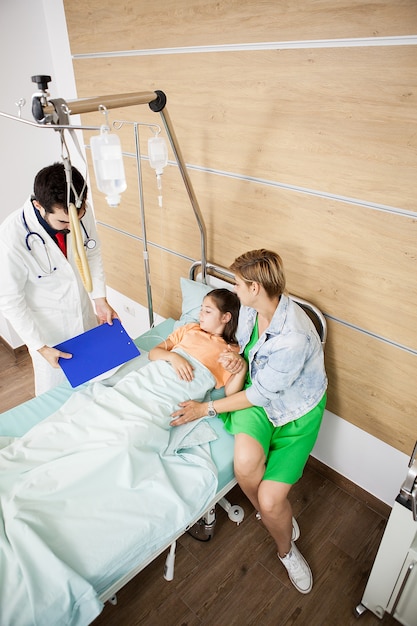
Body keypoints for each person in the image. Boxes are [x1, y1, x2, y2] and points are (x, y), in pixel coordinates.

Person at [171, 249, 327, 594]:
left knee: (272, 500)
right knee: (244, 465)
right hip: (259, 395)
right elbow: (242, 347)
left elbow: (259, 397)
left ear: (255, 287)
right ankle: (274, 519)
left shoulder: (295, 337)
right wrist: (235, 357)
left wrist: (204, 409)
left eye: (239, 284)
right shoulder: (253, 312)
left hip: (294, 412)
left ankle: (286, 549)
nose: (234, 289)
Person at [0, 162, 118, 396]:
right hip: (48, 332)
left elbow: (91, 251)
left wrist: (100, 299)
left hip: (83, 314)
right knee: (56, 398)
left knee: (96, 387)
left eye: (79, 216)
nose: (73, 226)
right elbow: (10, 300)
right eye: (64, 222)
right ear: (39, 206)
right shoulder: (11, 236)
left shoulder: (79, 210)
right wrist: (40, 347)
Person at [149, 288, 246, 397]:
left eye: (207, 311)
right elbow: (153, 353)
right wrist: (173, 357)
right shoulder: (190, 329)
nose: (200, 314)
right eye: (201, 309)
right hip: (157, 377)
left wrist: (242, 369)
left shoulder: (230, 349)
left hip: (179, 390)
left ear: (225, 317)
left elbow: (230, 392)